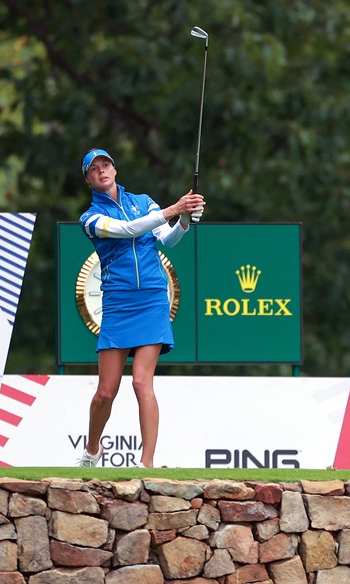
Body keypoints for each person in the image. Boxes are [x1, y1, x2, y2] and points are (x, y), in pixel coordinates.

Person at [77, 148, 204, 468]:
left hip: (152, 299)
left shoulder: (143, 201)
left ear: (115, 170)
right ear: (89, 180)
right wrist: (174, 208)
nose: (102, 171)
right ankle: (93, 450)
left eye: (106, 165)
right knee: (105, 392)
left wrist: (185, 220)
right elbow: (127, 231)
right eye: (95, 170)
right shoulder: (90, 218)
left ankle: (146, 463)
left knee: (141, 381)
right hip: (119, 302)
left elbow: (169, 239)